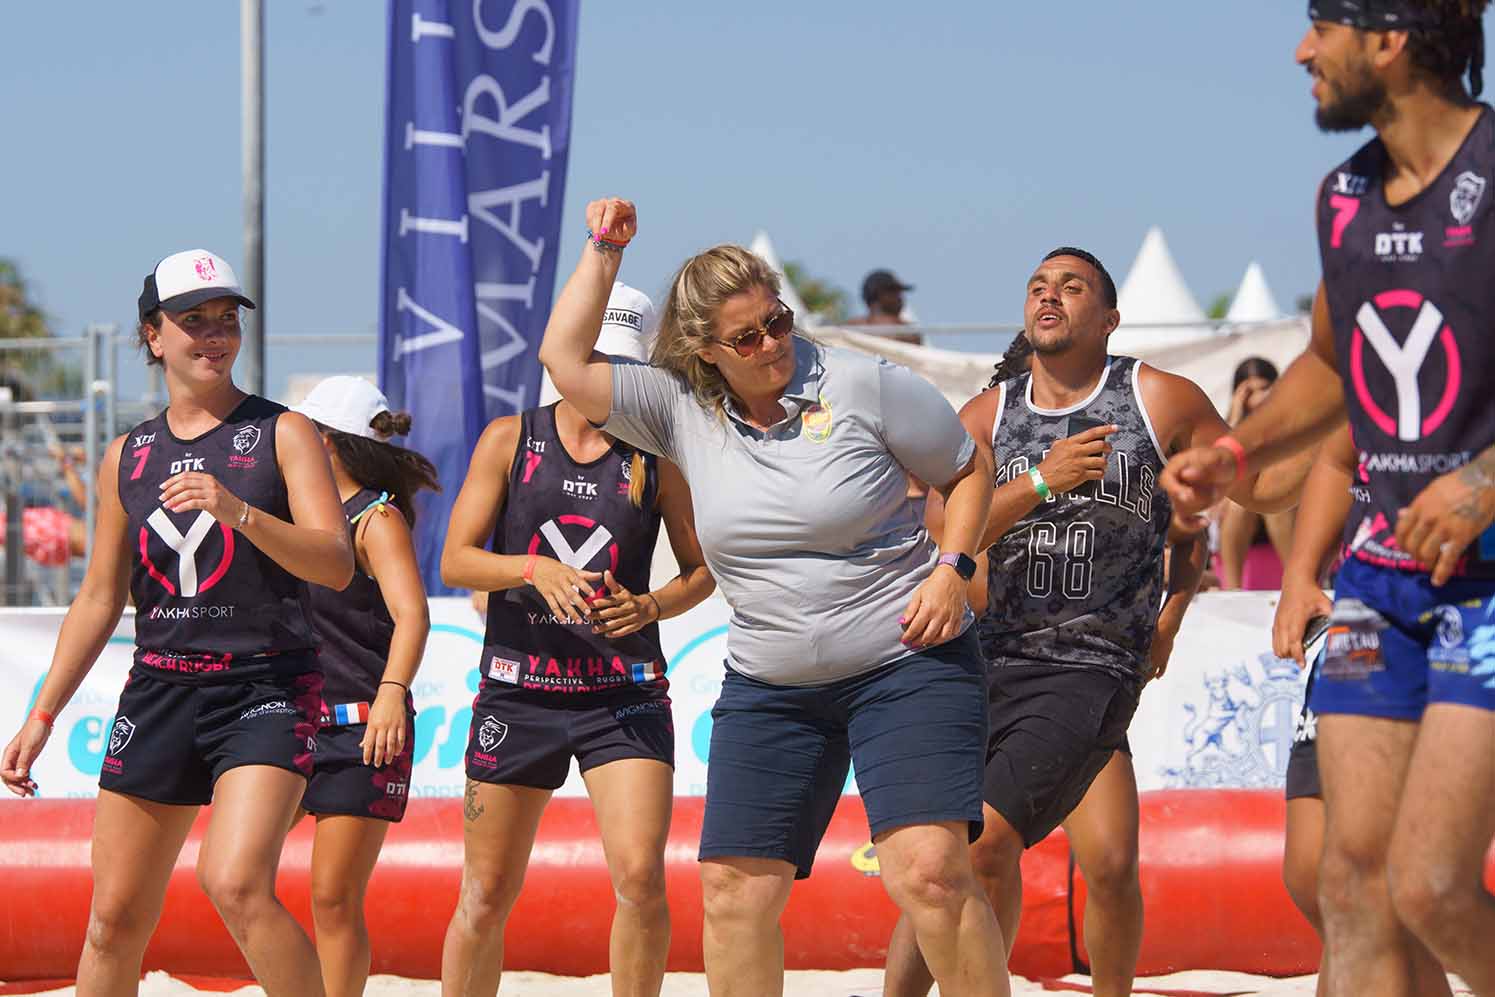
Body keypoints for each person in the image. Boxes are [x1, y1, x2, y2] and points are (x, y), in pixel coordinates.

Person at [541, 199, 1007, 997]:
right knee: (732, 892)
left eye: (778, 321)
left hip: (905, 663)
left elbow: (968, 468)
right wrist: (603, 250)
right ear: (704, 349)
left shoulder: (864, 383)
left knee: (928, 873)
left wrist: (951, 567)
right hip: (771, 685)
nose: (772, 344)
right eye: (747, 337)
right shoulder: (677, 406)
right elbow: (563, 357)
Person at [1163, 6, 1495, 993]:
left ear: (1389, 39)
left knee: (1432, 884)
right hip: (1380, 580)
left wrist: (1482, 481)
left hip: (1486, 583)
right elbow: (1329, 359)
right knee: (1346, 883)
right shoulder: (1343, 197)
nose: (1302, 51)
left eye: (1323, 26)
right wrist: (1237, 449)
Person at [884, 247, 1305, 997]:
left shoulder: (1158, 398)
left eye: (1071, 286)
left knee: (1049, 855)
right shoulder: (986, 416)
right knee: (946, 859)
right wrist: (1041, 482)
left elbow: (1243, 499)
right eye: (1037, 286)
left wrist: (1330, 434)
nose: (1049, 296)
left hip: (1090, 662)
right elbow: (946, 537)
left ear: (1109, 318)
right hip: (987, 659)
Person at [0, 249, 352, 997]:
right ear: (153, 336)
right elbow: (99, 598)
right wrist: (41, 713)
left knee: (236, 882)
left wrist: (240, 512)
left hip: (266, 686)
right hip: (160, 690)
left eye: (227, 319)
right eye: (194, 320)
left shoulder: (284, 432)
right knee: (112, 921)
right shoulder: (126, 456)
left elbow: (335, 563)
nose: (215, 335)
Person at [439, 282, 715, 997]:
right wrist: (532, 569)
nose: (601, 376)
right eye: (590, 358)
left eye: (617, 364)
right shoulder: (510, 438)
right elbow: (455, 560)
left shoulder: (657, 455)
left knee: (640, 880)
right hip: (519, 692)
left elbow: (701, 573)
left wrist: (649, 606)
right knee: (485, 893)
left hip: (622, 696)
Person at [292, 376, 440, 997]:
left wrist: (391, 692)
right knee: (235, 875)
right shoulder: (298, 515)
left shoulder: (375, 519)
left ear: (327, 442)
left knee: (332, 896)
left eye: (305, 432)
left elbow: (413, 615)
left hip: (361, 727)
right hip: (291, 722)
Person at [1217, 358, 1296, 590]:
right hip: (1241, 511)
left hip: (1285, 508)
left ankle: (1295, 581)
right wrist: (1235, 416)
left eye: (1264, 388)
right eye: (1249, 392)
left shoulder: (1292, 425)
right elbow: (1218, 467)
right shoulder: (1227, 428)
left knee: (1274, 506)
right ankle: (1232, 589)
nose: (1258, 397)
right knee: (1239, 507)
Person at [847, 268, 921, 346]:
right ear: (877, 294)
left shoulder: (909, 332)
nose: (900, 297)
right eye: (893, 291)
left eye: (899, 292)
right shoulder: (852, 328)